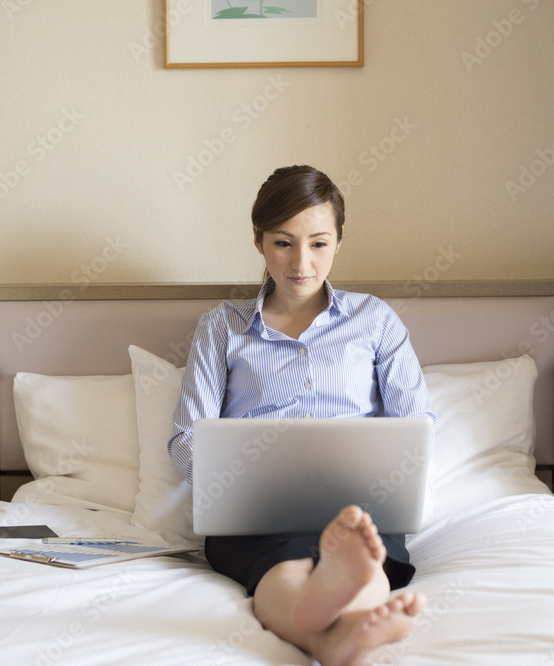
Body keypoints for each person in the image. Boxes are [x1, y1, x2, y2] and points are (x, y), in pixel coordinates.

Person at [168, 165, 435, 665]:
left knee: (366, 554)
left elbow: (417, 426)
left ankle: (332, 631)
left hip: (359, 506)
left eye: (318, 243)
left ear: (339, 241)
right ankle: (345, 626)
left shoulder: (373, 320)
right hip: (253, 512)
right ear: (258, 240)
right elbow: (185, 439)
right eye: (283, 243)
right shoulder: (223, 328)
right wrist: (233, 478)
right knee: (284, 569)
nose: (301, 264)